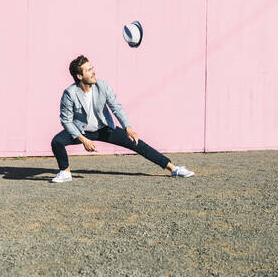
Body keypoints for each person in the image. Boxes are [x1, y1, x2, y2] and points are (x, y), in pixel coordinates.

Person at [50, 55, 194, 183]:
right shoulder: (70, 93)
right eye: (88, 70)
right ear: (79, 76)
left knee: (137, 143)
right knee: (57, 142)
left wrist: (128, 128)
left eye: (92, 68)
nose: (93, 72)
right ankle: (65, 172)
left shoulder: (102, 86)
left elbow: (116, 107)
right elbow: (66, 121)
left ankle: (173, 168)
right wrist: (83, 139)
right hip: (81, 131)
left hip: (104, 129)